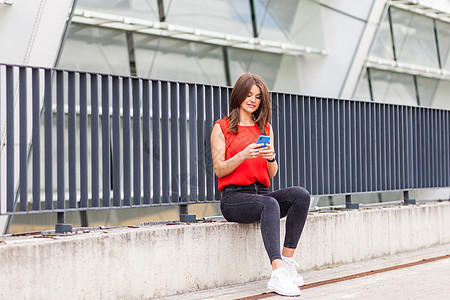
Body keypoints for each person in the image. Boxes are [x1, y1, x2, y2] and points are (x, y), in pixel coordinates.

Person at [210, 73, 311, 296]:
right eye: (248, 95)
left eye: (257, 96)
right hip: (234, 198)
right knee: (269, 205)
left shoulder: (265, 128)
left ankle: (288, 261)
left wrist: (270, 158)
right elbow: (219, 169)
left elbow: (271, 173)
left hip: (261, 193)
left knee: (301, 195)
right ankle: (277, 273)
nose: (253, 100)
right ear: (238, 96)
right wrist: (243, 155)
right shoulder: (222, 127)